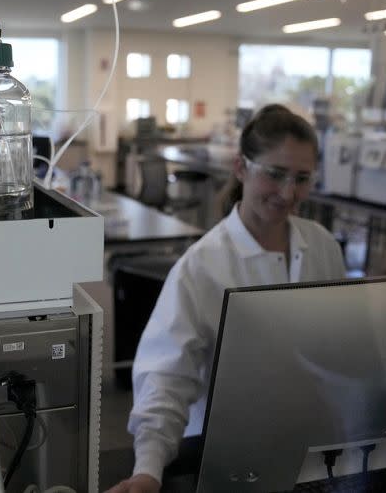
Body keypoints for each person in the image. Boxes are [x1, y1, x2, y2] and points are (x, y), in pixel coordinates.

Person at [106, 104, 346, 493]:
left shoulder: (321, 246)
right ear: (241, 168)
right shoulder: (202, 266)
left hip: (307, 447)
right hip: (223, 454)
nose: (288, 193)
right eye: (275, 174)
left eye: (302, 178)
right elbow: (167, 375)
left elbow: (341, 346)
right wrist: (147, 469)